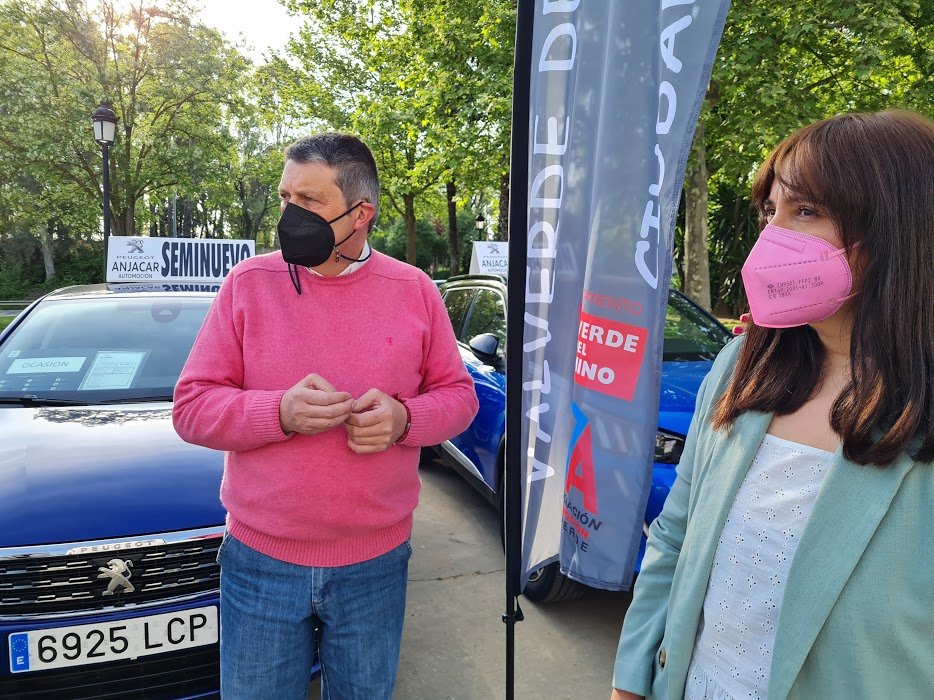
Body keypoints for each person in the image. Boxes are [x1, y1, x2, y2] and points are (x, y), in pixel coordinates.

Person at [611, 109, 934, 700]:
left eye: (805, 210)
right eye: (770, 210)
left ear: (897, 228)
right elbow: (674, 538)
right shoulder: (741, 367)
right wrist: (630, 683)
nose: (771, 236)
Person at [173, 132, 479, 699]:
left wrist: (404, 420)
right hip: (260, 560)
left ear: (360, 215)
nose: (289, 214)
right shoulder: (247, 285)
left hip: (376, 563)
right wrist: (278, 412)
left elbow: (459, 398)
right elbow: (191, 408)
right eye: (285, 197)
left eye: (309, 201)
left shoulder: (414, 290)